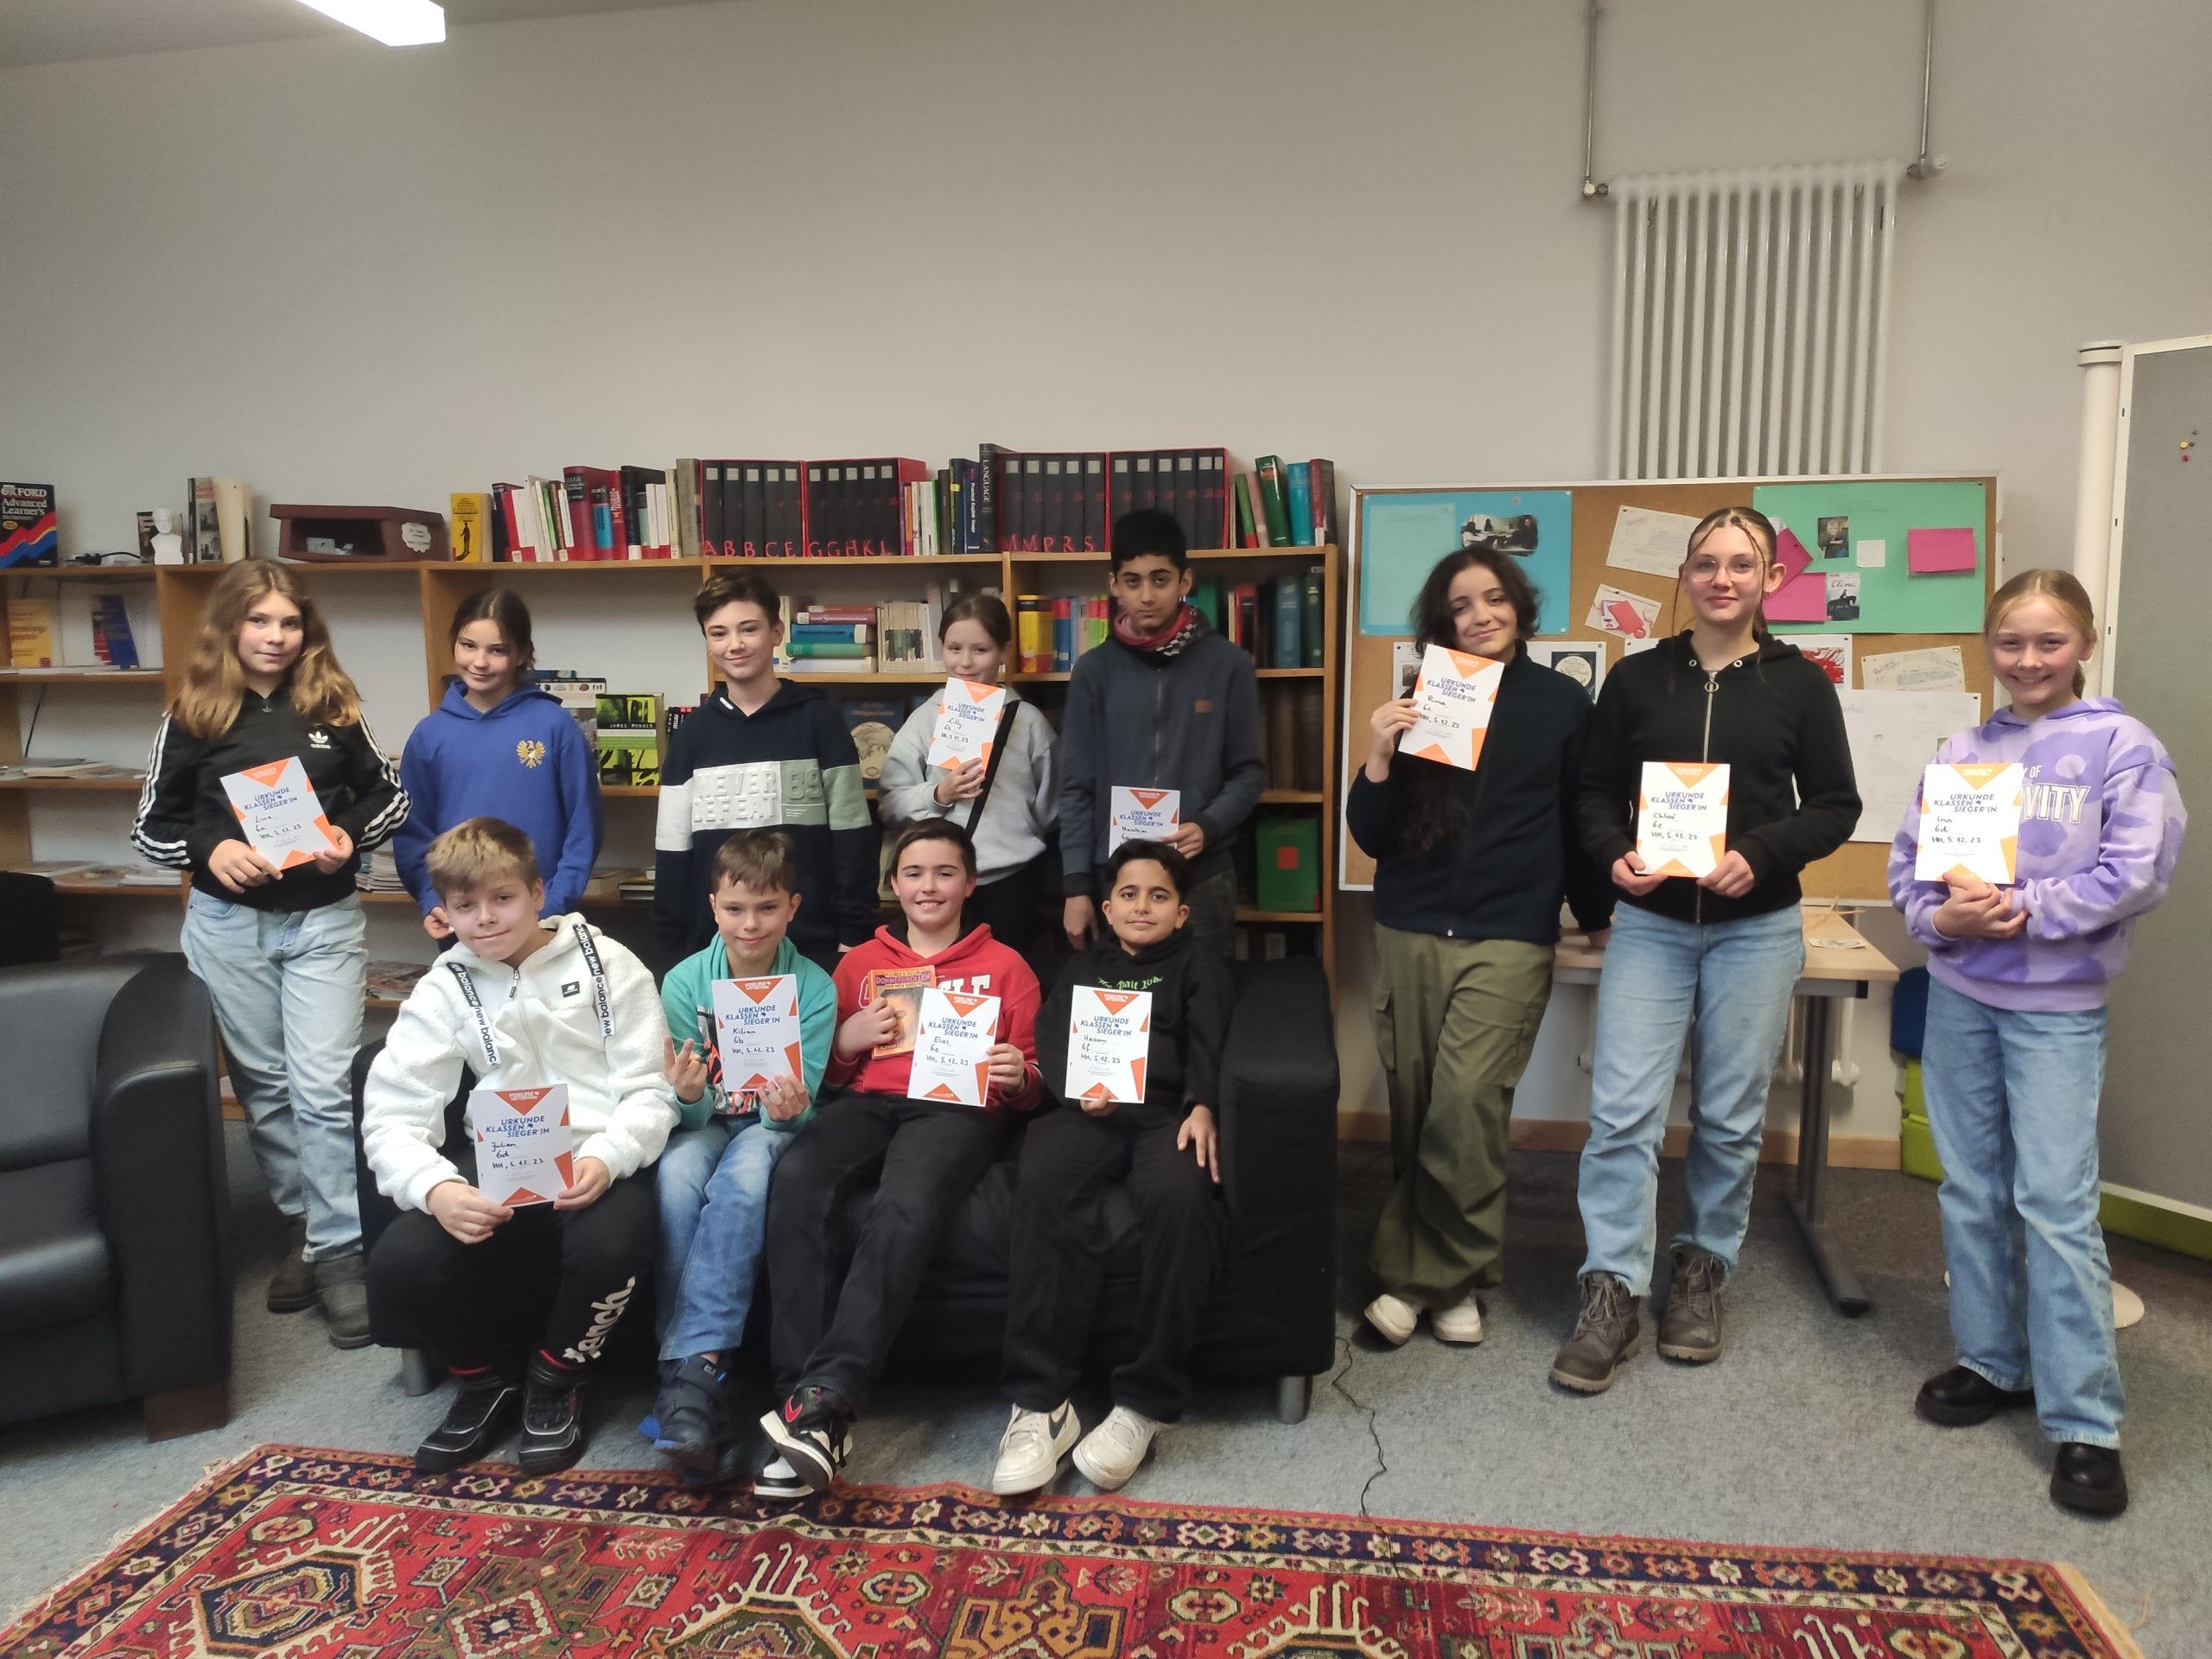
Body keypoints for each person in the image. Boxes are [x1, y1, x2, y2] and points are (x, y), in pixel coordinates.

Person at [1888, 569, 2184, 1518]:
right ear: (1989, 647)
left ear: (2084, 645)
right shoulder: (1963, 750)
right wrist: (1941, 921)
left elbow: (2137, 873)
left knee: (2054, 1204)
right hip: (1961, 996)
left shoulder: (2122, 747)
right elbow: (1910, 868)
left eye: (2048, 642)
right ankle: (1992, 1361)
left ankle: (2085, 1419)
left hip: (2057, 1006)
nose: (2026, 660)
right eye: (2009, 642)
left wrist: (2020, 910)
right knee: (1971, 1187)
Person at [1555, 505, 1860, 1393]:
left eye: (1741, 564)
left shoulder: (1801, 685)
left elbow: (1834, 805)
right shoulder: (1636, 679)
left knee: (1728, 1116)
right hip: (1651, 926)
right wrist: (1613, 852)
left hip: (1756, 928)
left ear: (1771, 580)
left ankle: (1700, 1268)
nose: (1721, 578)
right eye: (1705, 563)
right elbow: (1592, 793)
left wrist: (1761, 853)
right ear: (1684, 576)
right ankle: (1612, 1286)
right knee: (1622, 1114)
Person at [131, 559, 407, 1347]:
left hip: (321, 922)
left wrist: (346, 835)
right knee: (266, 1088)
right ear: (230, 625)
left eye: (290, 622)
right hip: (229, 927)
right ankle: (305, 1226)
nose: (276, 637)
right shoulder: (193, 714)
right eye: (260, 621)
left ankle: (341, 1252)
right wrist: (210, 851)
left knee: (323, 1085)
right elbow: (150, 826)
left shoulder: (334, 705)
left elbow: (391, 796)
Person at [1348, 549, 1612, 1351]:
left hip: (1507, 934)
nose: (1480, 616)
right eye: (1460, 606)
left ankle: (1420, 1279)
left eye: (1494, 598)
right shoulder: (1428, 698)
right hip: (1411, 926)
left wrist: (1597, 917)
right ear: (1442, 622)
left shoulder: (1562, 703)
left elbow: (1580, 822)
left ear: (1520, 607)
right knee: (1417, 1107)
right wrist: (1379, 755)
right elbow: (1374, 837)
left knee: (1466, 1107)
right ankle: (1451, 1280)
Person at [360, 818, 678, 1476]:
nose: (484, 919)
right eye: (464, 906)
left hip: (598, 1156)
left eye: (502, 898)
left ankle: (556, 1376)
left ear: (537, 893)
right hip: (501, 1161)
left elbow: (652, 1089)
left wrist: (609, 1156)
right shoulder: (444, 986)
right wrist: (436, 1189)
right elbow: (392, 1114)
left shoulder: (610, 964)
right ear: (444, 913)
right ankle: (487, 1380)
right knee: (399, 1264)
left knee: (615, 1245)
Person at [757, 818, 1043, 1497]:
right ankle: (798, 1403)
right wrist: (846, 1040)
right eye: (914, 873)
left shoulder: (1008, 967)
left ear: (970, 883)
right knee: (796, 1177)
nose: (929, 886)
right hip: (868, 1104)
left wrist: (1018, 1076)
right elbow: (825, 1075)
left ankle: (831, 1398)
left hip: (955, 1110)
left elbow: (1035, 1085)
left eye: (945, 872)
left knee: (904, 1202)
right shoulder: (859, 964)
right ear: (894, 884)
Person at [992, 839, 1235, 1495]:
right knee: (1044, 1175)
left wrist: (1203, 1106)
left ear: (1182, 912)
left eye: (1159, 896)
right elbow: (1052, 1040)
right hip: (1089, 1111)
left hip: (1166, 1114)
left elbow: (1211, 1041)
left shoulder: (1198, 964)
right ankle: (1040, 1403)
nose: (1142, 906)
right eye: (1129, 894)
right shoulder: (1083, 968)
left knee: (1183, 1194)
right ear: (1107, 907)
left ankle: (1145, 1402)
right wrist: (1078, 1093)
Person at [647, 829, 838, 1483]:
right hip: (707, 1121)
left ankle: (690, 1386)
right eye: (734, 909)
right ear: (713, 906)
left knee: (747, 1175)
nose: (749, 924)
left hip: (768, 1125)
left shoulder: (814, 986)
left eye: (766, 908)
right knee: (676, 1174)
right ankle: (694, 1382)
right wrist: (688, 1095)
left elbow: (803, 1101)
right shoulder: (683, 982)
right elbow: (687, 1108)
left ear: (792, 907)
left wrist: (788, 1109)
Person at [1058, 508, 1264, 958]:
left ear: (1184, 581)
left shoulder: (1228, 665)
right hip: (1115, 880)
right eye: (1132, 582)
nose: (1147, 596)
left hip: (1200, 876)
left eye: (1160, 579)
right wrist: (1076, 886)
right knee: (1121, 1001)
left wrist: (1208, 826)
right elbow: (1075, 786)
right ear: (1114, 584)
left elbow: (1249, 772)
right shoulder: (1093, 671)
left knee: (1202, 999)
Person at [654, 569, 878, 972]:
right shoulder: (691, 737)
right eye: (719, 633)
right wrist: (671, 949)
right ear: (707, 642)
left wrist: (853, 933)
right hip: (714, 953)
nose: (735, 644)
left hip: (814, 946)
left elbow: (853, 838)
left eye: (748, 629)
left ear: (776, 632)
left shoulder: (820, 723)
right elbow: (673, 852)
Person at [394, 588, 600, 940]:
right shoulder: (429, 735)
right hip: (462, 923)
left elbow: (584, 828)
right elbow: (414, 833)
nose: (480, 662)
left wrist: (551, 906)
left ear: (522, 654)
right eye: (468, 645)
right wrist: (433, 900)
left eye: (497, 650)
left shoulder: (555, 726)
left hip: (542, 921)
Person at [877, 594, 1058, 958]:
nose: (965, 662)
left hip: (1008, 880)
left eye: (980, 650)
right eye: (954, 648)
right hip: (938, 881)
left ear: (1004, 651)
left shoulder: (1029, 722)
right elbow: (891, 802)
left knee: (1003, 972)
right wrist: (938, 794)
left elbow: (1051, 806)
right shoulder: (925, 719)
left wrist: (1016, 836)